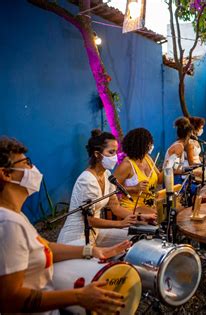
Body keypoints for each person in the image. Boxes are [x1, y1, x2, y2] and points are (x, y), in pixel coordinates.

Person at [0, 136, 130, 314]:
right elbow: (11, 300)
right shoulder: (8, 224)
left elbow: (45, 247)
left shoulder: (17, 216)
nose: (32, 168)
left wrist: (92, 251)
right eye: (26, 162)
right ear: (6, 174)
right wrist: (79, 296)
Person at [58, 130, 139, 247]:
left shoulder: (107, 174)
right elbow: (90, 220)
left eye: (116, 152)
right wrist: (120, 223)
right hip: (77, 237)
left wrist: (139, 217)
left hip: (95, 232)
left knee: (135, 237)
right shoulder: (86, 180)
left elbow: (115, 207)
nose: (115, 157)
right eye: (111, 152)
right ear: (97, 154)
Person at [112, 128, 160, 222]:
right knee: (159, 217)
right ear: (141, 145)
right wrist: (134, 188)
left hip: (150, 203)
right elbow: (112, 189)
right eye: (149, 144)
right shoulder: (127, 165)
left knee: (172, 210)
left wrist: (170, 168)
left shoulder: (147, 158)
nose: (151, 146)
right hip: (132, 206)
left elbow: (160, 179)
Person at [164, 117, 194, 184]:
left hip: (174, 179)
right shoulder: (179, 147)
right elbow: (173, 170)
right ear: (189, 134)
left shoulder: (178, 144)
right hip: (171, 182)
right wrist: (191, 170)